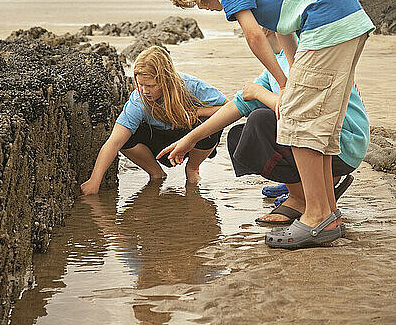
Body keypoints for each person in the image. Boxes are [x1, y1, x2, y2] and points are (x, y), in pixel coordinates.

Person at [166, 0, 374, 249]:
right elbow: (285, 28)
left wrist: (283, 83)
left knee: (297, 121)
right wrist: (290, 73)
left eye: (199, 2)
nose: (207, 8)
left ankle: (315, 217)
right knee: (320, 126)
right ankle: (328, 213)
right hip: (346, 20)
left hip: (326, 22)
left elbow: (253, 34)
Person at [156, 30, 369, 235]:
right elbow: (237, 105)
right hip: (317, 144)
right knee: (239, 135)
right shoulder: (275, 66)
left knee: (260, 122)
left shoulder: (304, 58)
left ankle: (306, 198)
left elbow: (298, 108)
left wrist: (259, 93)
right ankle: (305, 194)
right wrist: (189, 139)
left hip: (343, 144)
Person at [80, 46, 227, 195]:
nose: (144, 91)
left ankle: (192, 169)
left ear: (166, 81)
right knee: (125, 136)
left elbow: (229, 108)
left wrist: (197, 111)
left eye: (150, 86)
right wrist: (94, 181)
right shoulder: (138, 101)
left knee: (208, 123)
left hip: (190, 142)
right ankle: (156, 174)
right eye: (140, 84)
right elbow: (114, 142)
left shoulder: (190, 86)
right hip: (157, 144)